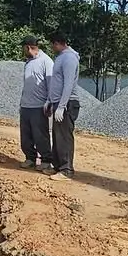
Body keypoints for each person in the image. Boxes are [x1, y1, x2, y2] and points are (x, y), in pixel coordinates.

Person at [45, 34, 81, 177]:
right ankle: (58, 166)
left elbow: (68, 84)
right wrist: (50, 100)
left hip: (67, 104)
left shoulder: (69, 58)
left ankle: (66, 170)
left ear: (58, 43)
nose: (52, 48)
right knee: (57, 136)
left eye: (52, 45)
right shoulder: (60, 58)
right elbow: (56, 83)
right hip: (57, 102)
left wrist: (62, 105)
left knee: (64, 137)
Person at [17, 37, 52, 167]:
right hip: (26, 105)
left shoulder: (46, 61)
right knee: (26, 136)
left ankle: (46, 161)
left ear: (28, 47)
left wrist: (49, 102)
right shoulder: (28, 62)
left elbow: (51, 84)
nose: (22, 50)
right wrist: (21, 103)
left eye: (23, 48)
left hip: (39, 106)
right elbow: (26, 85)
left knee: (40, 135)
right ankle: (30, 158)